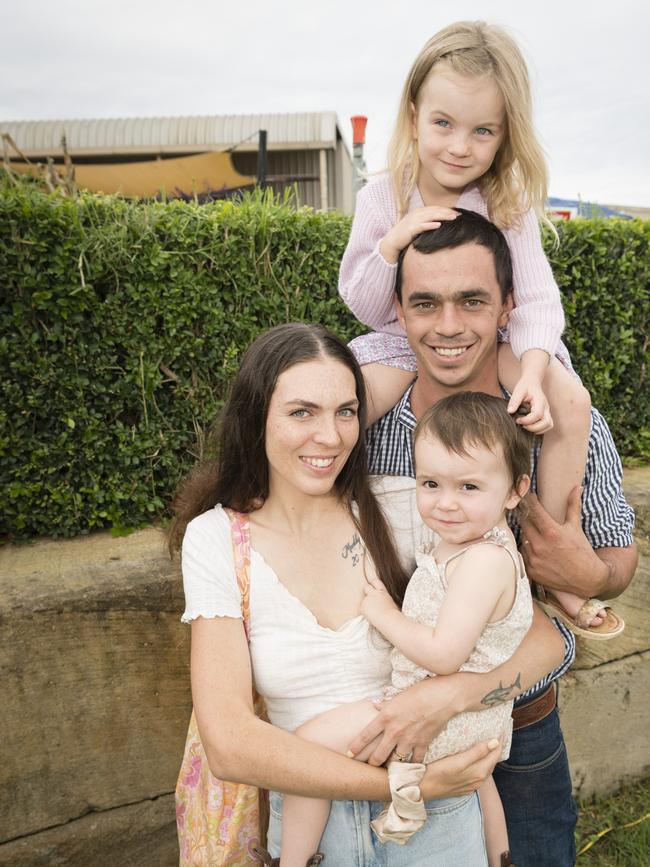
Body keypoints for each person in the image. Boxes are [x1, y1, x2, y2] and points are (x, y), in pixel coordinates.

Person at [171, 322, 567, 866]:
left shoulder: (409, 507)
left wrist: (450, 697)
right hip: (323, 832)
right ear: (255, 416)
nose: (330, 437)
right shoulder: (217, 539)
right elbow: (229, 742)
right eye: (301, 412)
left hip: (438, 826)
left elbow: (547, 641)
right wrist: (406, 787)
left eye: (346, 411)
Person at [352, 210, 637, 866]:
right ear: (397, 308)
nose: (448, 325)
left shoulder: (565, 426)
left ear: (510, 305)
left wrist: (586, 575)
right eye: (425, 302)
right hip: (394, 731)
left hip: (524, 731)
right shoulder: (363, 431)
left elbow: (619, 557)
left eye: (472, 300)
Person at [338, 20, 618, 636]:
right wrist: (391, 245)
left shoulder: (505, 204)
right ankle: (312, 540)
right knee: (345, 405)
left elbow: (539, 305)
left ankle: (556, 550)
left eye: (482, 130)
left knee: (571, 401)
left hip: (511, 342)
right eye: (444, 123)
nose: (460, 146)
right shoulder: (383, 196)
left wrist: (538, 377)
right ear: (414, 115)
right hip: (397, 340)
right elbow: (362, 303)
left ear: (504, 135)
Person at [278, 392, 534, 867]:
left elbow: (443, 655)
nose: (445, 504)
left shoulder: (481, 562)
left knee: (305, 749)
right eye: (431, 483)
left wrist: (382, 612)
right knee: (483, 778)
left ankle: (291, 861)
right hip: (477, 722)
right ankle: (501, 857)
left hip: (442, 719)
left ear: (516, 490)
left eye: (469, 487)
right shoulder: (471, 546)